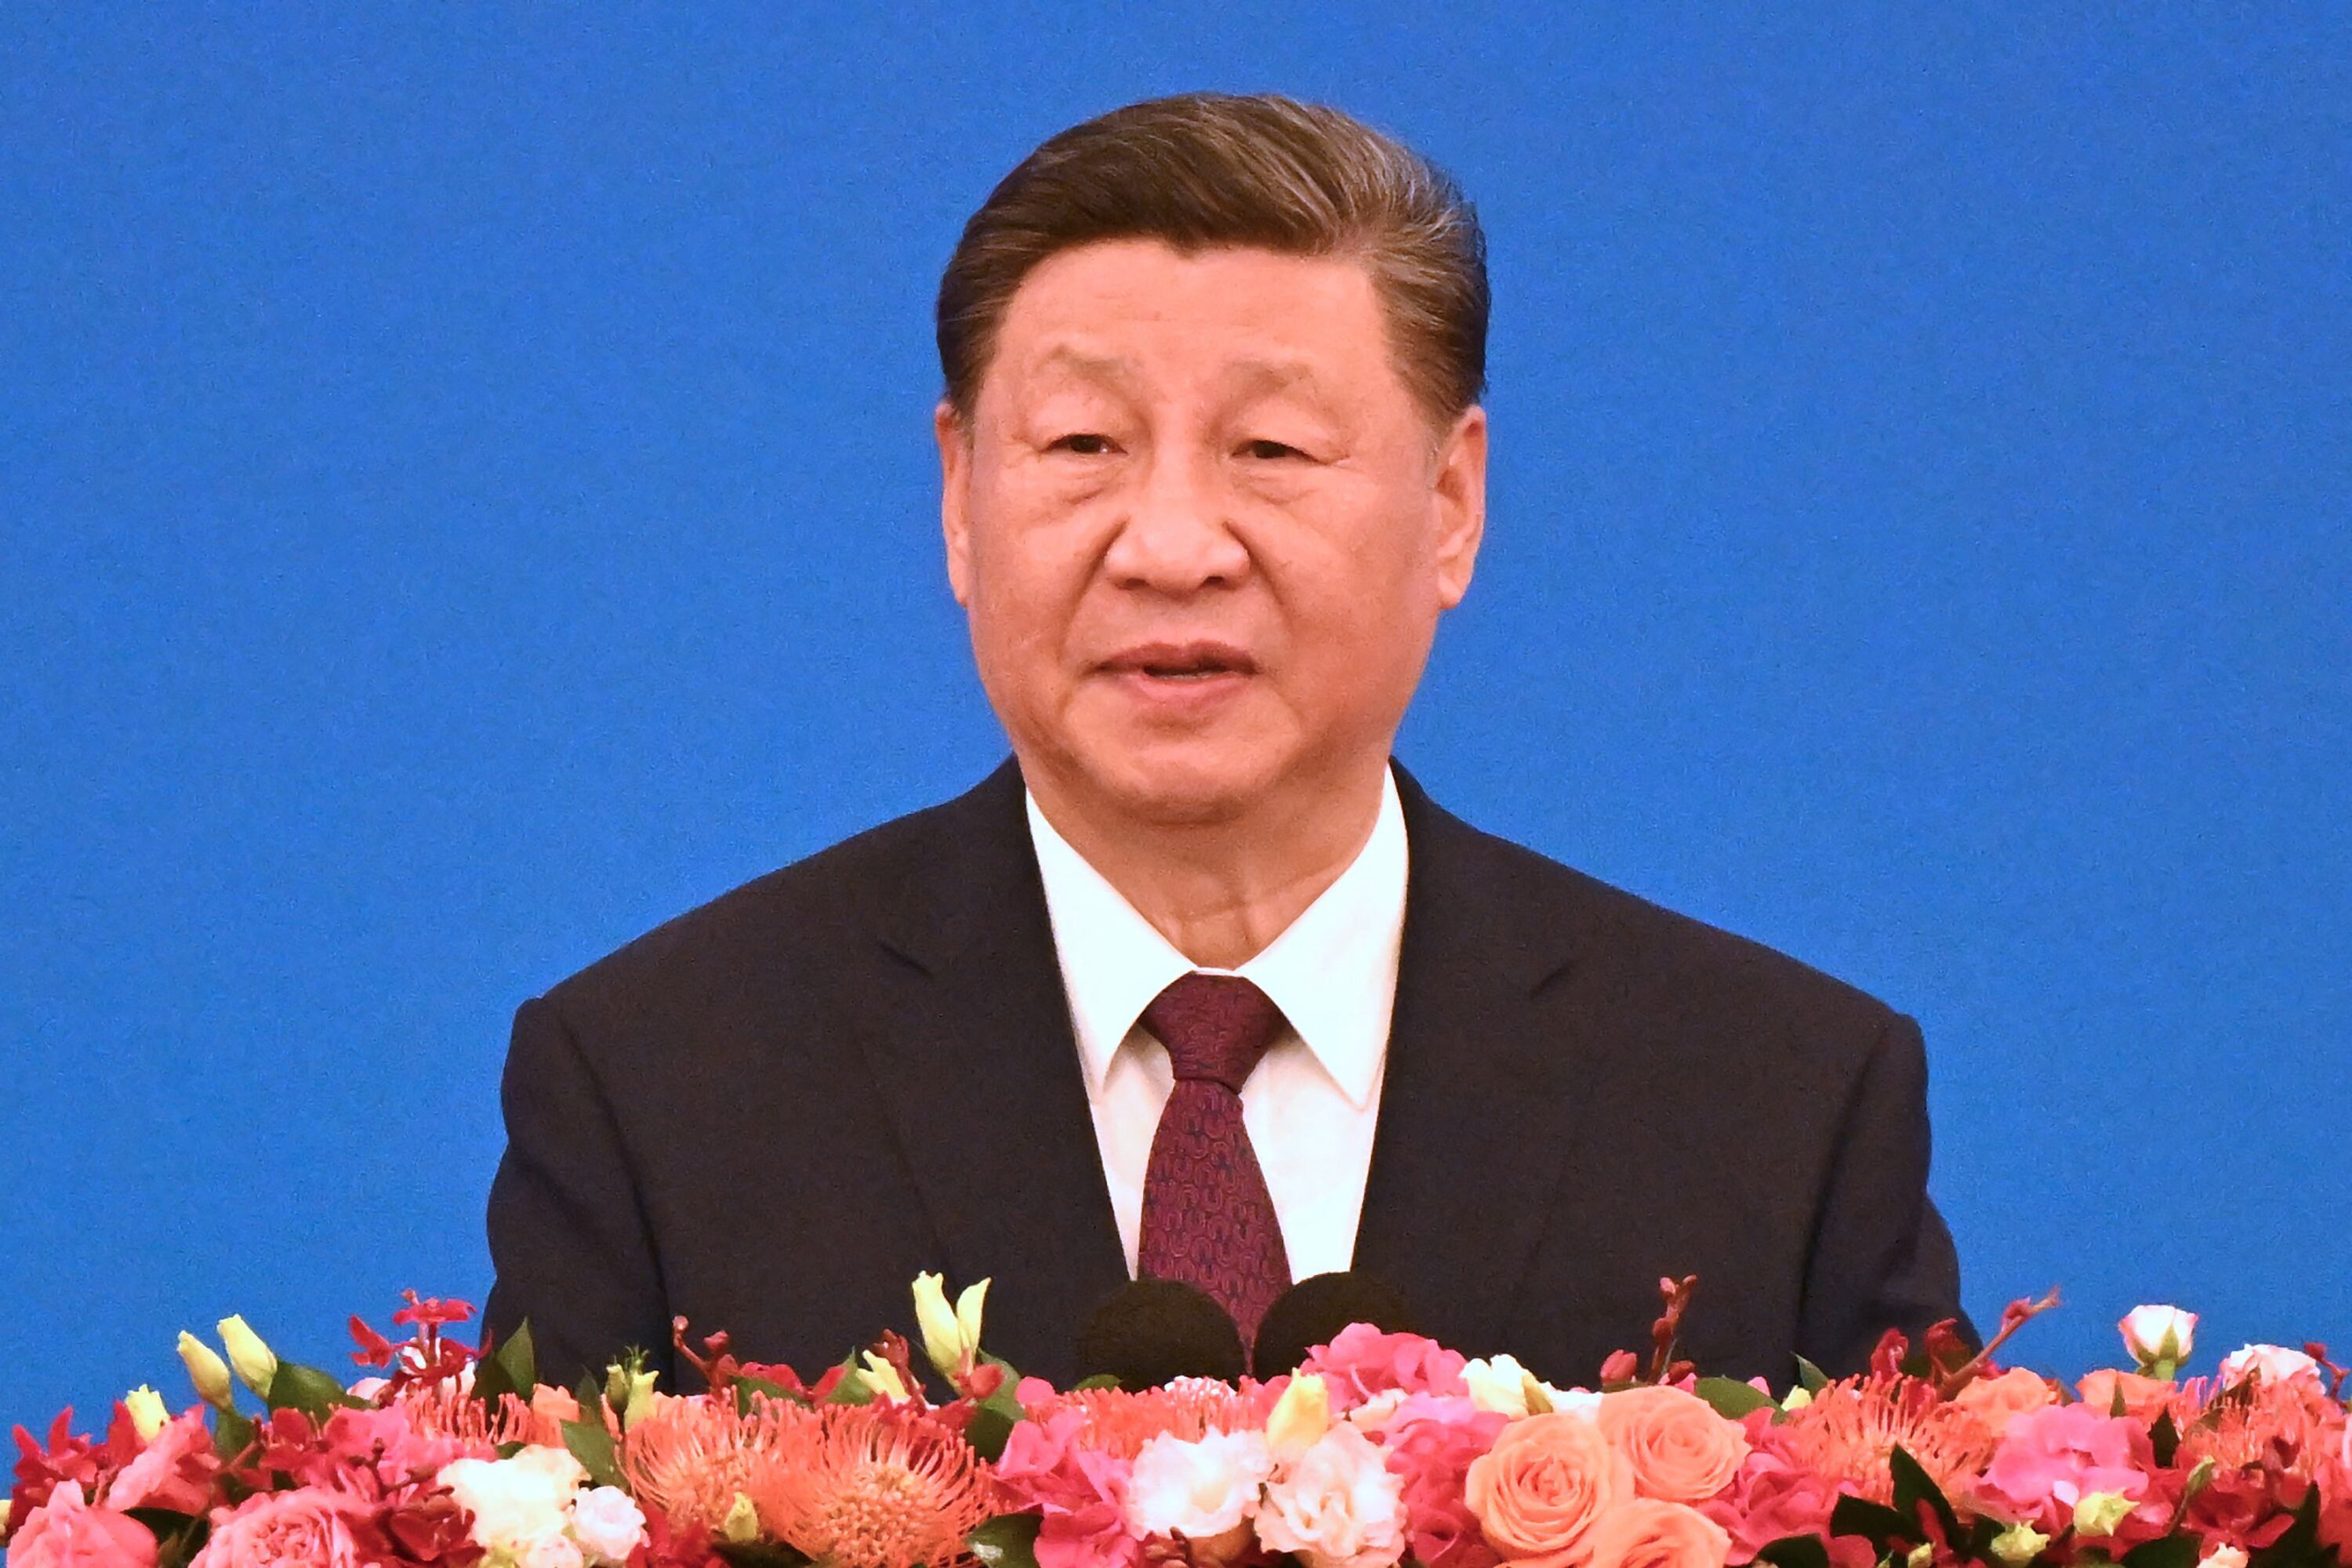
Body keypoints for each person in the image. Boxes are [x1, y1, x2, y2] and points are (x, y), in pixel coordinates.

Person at [483, 93, 1970, 1392]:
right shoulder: (660, 1086)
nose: (1173, 544)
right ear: (957, 494)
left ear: (1451, 504)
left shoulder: (1780, 1099)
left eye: (1269, 450)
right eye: (1082, 448)